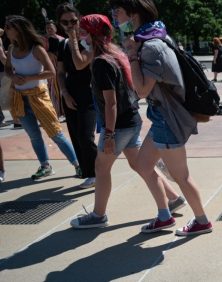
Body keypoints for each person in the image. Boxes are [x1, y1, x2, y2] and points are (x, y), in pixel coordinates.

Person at [69, 15, 184, 228]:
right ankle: (173, 198)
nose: (80, 36)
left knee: (101, 169)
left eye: (82, 32)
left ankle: (98, 216)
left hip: (118, 125)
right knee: (141, 165)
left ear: (91, 35)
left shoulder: (102, 62)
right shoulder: (116, 55)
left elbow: (111, 103)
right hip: (131, 120)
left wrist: (109, 134)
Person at [111, 0, 212, 236]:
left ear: (133, 14)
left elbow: (143, 90)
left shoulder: (150, 47)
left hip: (167, 117)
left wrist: (132, 55)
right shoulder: (154, 38)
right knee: (143, 165)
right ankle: (165, 216)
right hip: (160, 115)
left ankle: (202, 221)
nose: (114, 14)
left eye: (118, 10)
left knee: (180, 175)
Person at [4, 15, 80, 180]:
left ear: (18, 29)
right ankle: (45, 165)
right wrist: (12, 76)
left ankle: (78, 164)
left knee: (55, 132)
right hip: (20, 98)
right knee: (33, 135)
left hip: (39, 96)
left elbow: (51, 72)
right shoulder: (11, 49)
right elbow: (8, 68)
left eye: (8, 26)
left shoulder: (36, 49)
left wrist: (28, 78)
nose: (6, 30)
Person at [55, 3, 98, 189]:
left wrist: (74, 39)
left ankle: (96, 173)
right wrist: (64, 93)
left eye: (73, 21)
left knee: (85, 135)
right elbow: (59, 72)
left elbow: (80, 64)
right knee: (75, 134)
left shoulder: (88, 41)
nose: (70, 25)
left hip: (90, 92)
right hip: (71, 92)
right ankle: (87, 171)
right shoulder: (62, 44)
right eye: (65, 22)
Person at [43, 20, 64, 121]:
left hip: (60, 66)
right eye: (47, 28)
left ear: (55, 28)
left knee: (59, 89)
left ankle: (60, 112)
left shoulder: (61, 39)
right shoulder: (43, 41)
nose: (49, 30)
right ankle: (56, 112)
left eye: (51, 28)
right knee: (53, 90)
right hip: (50, 66)